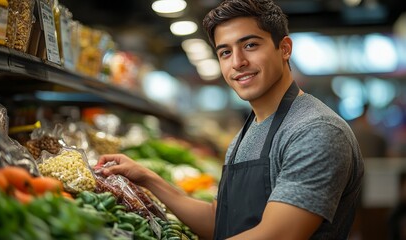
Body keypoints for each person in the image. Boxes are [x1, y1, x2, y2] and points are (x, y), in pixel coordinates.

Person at [95, 0, 365, 239]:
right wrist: (147, 178)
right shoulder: (248, 131)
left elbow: (279, 235)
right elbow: (220, 222)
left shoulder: (316, 130)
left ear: (284, 49)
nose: (237, 62)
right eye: (225, 52)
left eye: (250, 45)